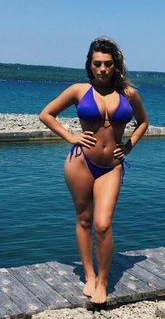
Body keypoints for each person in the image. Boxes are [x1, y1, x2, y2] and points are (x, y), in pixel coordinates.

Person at [39, 37, 149, 304]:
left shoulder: (128, 94)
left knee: (103, 223)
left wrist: (128, 147)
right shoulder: (79, 90)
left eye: (108, 64)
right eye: (97, 63)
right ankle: (89, 275)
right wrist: (71, 136)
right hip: (80, 163)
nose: (102, 69)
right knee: (84, 219)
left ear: (116, 65)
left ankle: (103, 281)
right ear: (90, 64)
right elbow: (46, 114)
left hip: (111, 166)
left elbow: (143, 122)